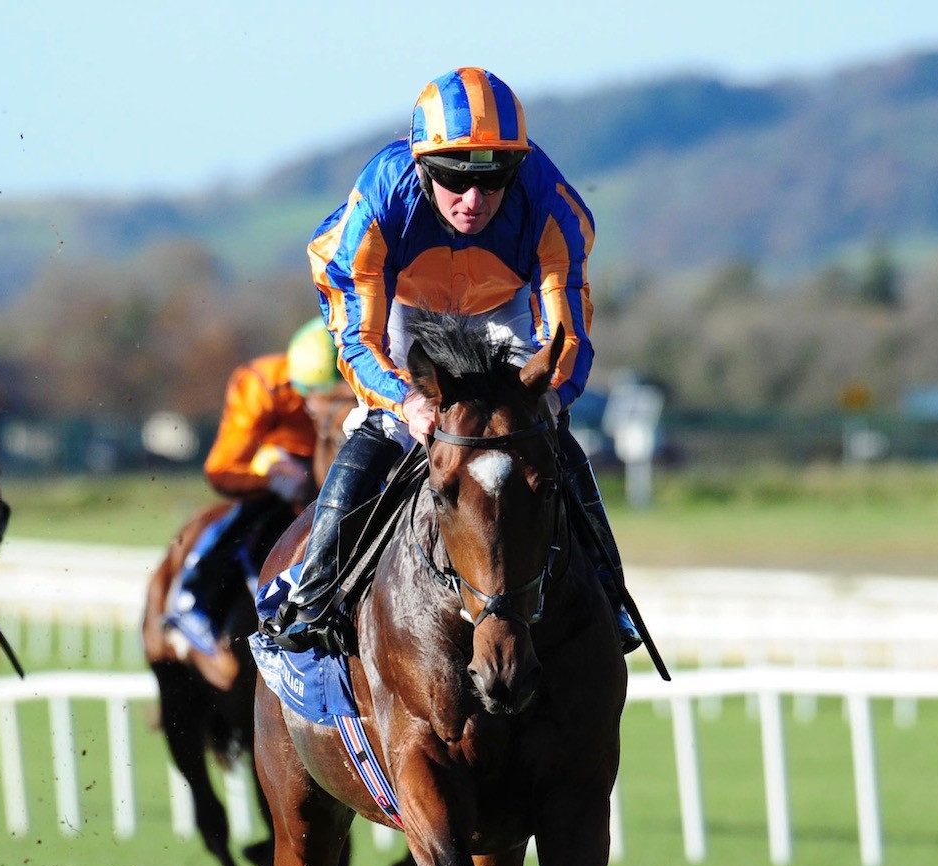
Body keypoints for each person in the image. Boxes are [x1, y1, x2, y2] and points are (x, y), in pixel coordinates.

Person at [260, 68, 645, 657]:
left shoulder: (553, 208)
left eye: (495, 181)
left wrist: (543, 399)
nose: (474, 201)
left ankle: (609, 595)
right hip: (404, 307)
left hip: (505, 306)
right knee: (385, 428)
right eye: (453, 179)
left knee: (543, 434)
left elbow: (565, 339)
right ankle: (311, 595)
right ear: (421, 166)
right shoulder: (382, 202)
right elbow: (360, 341)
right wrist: (405, 399)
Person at [166, 320, 347, 648]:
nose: (319, 409)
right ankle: (194, 597)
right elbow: (221, 469)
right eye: (322, 399)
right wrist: (269, 480)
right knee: (259, 508)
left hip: (331, 461)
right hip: (271, 467)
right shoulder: (260, 386)